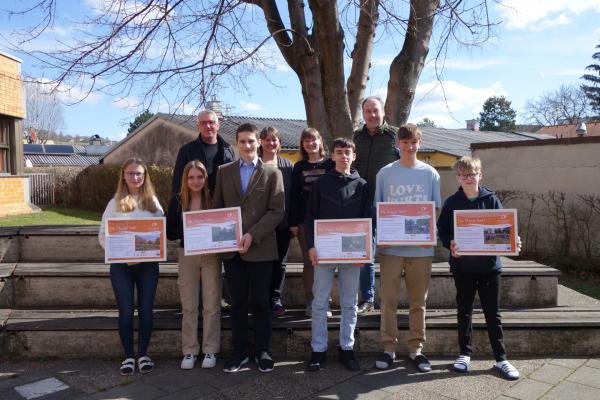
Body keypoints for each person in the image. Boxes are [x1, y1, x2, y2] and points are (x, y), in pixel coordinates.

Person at [437, 156, 521, 380]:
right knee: (464, 310)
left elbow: (504, 228)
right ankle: (464, 354)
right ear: (458, 178)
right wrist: (450, 244)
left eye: (472, 174)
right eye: (464, 175)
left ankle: (501, 359)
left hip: (489, 267)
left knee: (492, 313)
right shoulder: (452, 202)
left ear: (480, 175)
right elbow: (442, 231)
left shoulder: (491, 199)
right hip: (462, 267)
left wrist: (513, 240)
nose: (468, 178)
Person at [212, 123, 284, 373]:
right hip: (232, 251)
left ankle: (263, 350)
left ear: (259, 142)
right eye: (242, 141)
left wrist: (252, 235)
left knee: (262, 303)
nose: (247, 145)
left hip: (262, 249)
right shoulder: (223, 172)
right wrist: (229, 237)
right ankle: (240, 352)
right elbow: (218, 209)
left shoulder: (272, 173)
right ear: (236, 143)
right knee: (238, 303)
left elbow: (277, 211)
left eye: (251, 141)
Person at [373, 124, 441, 373]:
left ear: (419, 143)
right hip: (391, 249)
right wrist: (383, 236)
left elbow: (434, 209)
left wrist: (429, 234)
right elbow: (379, 209)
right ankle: (388, 348)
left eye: (413, 142)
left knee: (418, 302)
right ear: (397, 144)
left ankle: (416, 349)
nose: (409, 146)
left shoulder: (430, 174)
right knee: (388, 300)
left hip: (421, 250)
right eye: (405, 142)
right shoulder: (384, 174)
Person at [304, 137, 370, 372]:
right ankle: (318, 350)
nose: (343, 156)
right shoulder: (321, 184)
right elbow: (310, 217)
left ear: (354, 156)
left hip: (352, 253)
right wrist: (311, 245)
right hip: (324, 251)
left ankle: (346, 348)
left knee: (350, 303)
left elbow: (366, 221)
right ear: (332, 156)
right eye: (339, 152)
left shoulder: (362, 184)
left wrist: (364, 252)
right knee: (320, 302)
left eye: (347, 152)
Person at [98, 158, 164, 375]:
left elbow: (160, 234)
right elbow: (103, 236)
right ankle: (128, 356)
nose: (135, 177)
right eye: (130, 173)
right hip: (121, 267)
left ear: (145, 176)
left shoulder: (153, 202)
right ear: (123, 176)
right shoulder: (114, 203)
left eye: (139, 174)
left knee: (146, 310)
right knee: (126, 311)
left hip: (148, 267)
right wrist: (121, 254)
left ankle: (143, 354)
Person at [166, 161, 221, 370]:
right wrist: (193, 232)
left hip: (211, 255)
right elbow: (171, 232)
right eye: (191, 177)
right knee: (189, 305)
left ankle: (210, 349)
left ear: (205, 178)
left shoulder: (214, 199)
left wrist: (208, 238)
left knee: (211, 303)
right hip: (187, 254)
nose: (195, 181)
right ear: (185, 179)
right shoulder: (177, 201)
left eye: (200, 177)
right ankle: (189, 350)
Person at [352, 96, 399, 314]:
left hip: (390, 203)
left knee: (392, 251)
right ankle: (368, 298)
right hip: (363, 202)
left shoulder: (396, 136)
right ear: (363, 113)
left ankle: (392, 297)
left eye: (375, 110)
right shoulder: (356, 137)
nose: (372, 115)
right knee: (366, 252)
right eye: (368, 111)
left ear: (383, 112)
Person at [289, 128, 335, 317]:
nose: (310, 144)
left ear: (320, 142)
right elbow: (293, 196)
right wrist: (293, 222)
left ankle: (326, 302)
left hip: (327, 220)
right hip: (304, 221)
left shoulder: (331, 164)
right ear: (302, 144)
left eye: (313, 140)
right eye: (306, 141)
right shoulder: (299, 167)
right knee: (310, 261)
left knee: (326, 262)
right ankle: (311, 301)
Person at [259, 127, 294, 316]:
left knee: (280, 263)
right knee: (262, 262)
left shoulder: (288, 166)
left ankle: (275, 298)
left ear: (279, 143)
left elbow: (294, 196)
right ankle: (261, 298)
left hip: (283, 224)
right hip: (260, 225)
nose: (271, 143)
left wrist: (293, 223)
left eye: (274, 140)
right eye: (267, 139)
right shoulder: (254, 164)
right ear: (260, 142)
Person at [172, 110, 235, 196]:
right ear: (198, 126)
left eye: (211, 122)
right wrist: (178, 204)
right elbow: (178, 181)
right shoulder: (186, 150)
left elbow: (233, 180)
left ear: (218, 125)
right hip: (197, 203)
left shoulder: (228, 150)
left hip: (223, 203)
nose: (208, 126)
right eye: (203, 123)